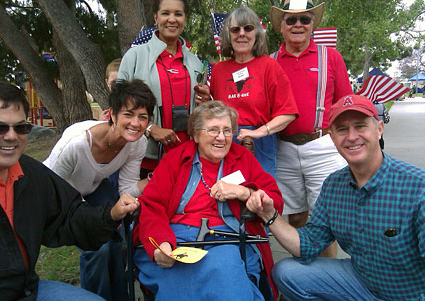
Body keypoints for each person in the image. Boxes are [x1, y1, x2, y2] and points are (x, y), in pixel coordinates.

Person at [246, 94, 425, 300]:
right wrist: (270, 215)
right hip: (360, 282)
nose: (351, 136)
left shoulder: (417, 187)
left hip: (409, 293)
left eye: (360, 126)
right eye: (342, 129)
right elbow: (308, 244)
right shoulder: (333, 185)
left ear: (379, 129)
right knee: (286, 272)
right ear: (332, 137)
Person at [0, 81, 139, 300]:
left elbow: (69, 216)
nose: (11, 136)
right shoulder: (75, 144)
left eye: (21, 127)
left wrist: (110, 215)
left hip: (26, 289)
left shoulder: (29, 173)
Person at [134, 101, 283, 300]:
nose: (221, 137)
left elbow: (275, 201)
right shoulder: (176, 159)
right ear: (195, 135)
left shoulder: (243, 159)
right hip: (176, 238)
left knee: (226, 265)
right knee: (179, 275)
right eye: (213, 130)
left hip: (226, 238)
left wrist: (244, 192)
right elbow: (152, 205)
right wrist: (161, 244)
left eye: (227, 131)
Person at [44, 79, 156, 300]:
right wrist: (87, 219)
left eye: (143, 117)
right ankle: (95, 296)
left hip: (95, 187)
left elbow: (125, 187)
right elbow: (51, 189)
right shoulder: (76, 144)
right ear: (112, 114)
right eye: (128, 114)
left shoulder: (137, 143)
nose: (135, 123)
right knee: (98, 249)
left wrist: (150, 182)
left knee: (118, 241)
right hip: (61, 196)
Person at [269, 0, 352, 256]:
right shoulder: (270, 62)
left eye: (304, 19)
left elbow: (345, 105)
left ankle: (326, 286)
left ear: (312, 24)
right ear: (281, 26)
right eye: (291, 20)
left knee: (326, 221)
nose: (298, 25)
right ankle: (303, 281)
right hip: (282, 148)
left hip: (322, 145)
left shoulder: (331, 57)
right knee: (295, 217)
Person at [203, 6, 298, 179]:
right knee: (227, 198)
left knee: (259, 198)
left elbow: (288, 113)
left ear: (257, 33)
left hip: (260, 143)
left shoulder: (269, 66)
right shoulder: (219, 70)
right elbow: (214, 112)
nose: (241, 33)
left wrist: (259, 132)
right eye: (235, 29)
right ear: (227, 35)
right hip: (225, 143)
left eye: (248, 28)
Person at [117, 0, 204, 175]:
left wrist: (205, 100)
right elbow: (119, 105)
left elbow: (200, 107)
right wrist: (151, 128)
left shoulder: (195, 62)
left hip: (187, 155)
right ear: (156, 17)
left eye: (178, 14)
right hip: (145, 158)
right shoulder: (134, 56)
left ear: (185, 19)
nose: (172, 19)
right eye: (166, 13)